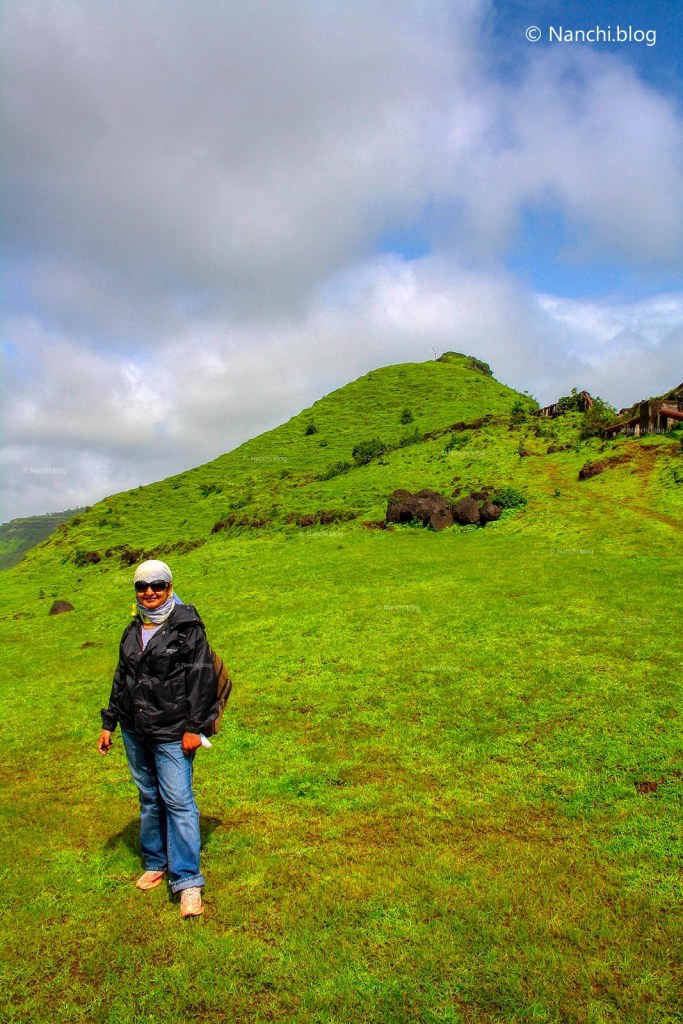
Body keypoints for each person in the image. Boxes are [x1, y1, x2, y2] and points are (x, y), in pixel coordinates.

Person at [97, 559, 217, 919]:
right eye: (142, 586)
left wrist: (195, 727)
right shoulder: (133, 631)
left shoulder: (187, 628)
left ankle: (188, 881)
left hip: (172, 731)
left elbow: (202, 681)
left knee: (178, 800)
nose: (149, 592)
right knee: (149, 798)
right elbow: (123, 679)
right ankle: (156, 860)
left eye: (158, 585)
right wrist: (110, 723)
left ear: (169, 587)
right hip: (136, 729)